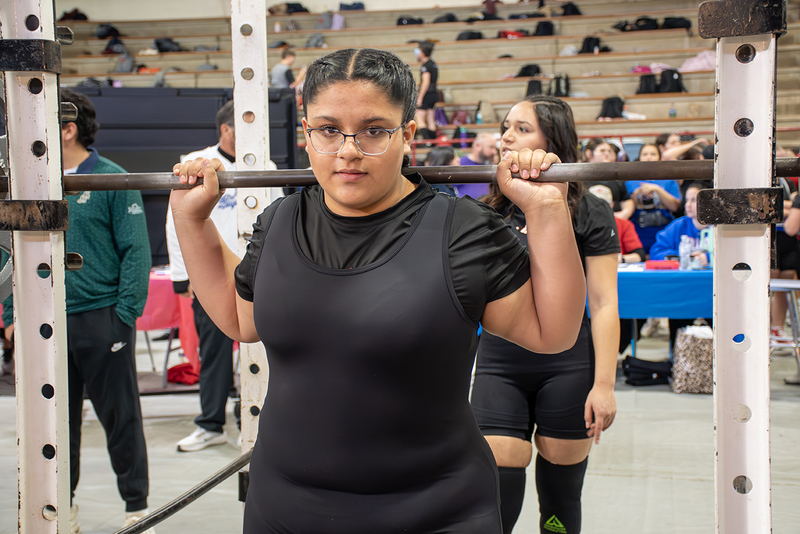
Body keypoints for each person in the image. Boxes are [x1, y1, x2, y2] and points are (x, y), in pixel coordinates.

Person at [169, 48, 586, 533]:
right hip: (283, 508)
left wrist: (547, 212)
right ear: (307, 134)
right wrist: (189, 218)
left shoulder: (462, 230)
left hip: (435, 512)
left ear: (407, 135)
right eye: (328, 130)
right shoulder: (280, 221)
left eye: (373, 130)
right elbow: (240, 320)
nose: (348, 150)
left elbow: (553, 333)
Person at [2, 88, 153, 533]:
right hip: (42, 323)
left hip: (102, 318)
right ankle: (59, 509)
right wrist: (12, 317)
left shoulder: (112, 178)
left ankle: (137, 505)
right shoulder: (28, 186)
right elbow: (16, 255)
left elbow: (136, 253)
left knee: (119, 416)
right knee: (52, 425)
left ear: (66, 129)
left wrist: (124, 315)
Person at [471, 95, 619, 534]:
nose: (505, 136)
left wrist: (605, 385)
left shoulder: (590, 210)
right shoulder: (490, 210)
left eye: (521, 128)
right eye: (505, 126)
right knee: (493, 490)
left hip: (569, 365)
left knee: (559, 500)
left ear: (551, 139)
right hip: (500, 362)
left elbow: (606, 303)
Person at [166, 100, 277, 451]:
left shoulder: (267, 165)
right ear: (227, 129)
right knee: (213, 353)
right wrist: (184, 278)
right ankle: (210, 423)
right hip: (213, 277)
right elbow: (177, 222)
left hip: (260, 276)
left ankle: (258, 420)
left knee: (265, 353)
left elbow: (279, 221)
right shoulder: (197, 164)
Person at [649, 183, 713, 345]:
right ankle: (677, 357)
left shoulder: (719, 227)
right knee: (679, 315)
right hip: (683, 289)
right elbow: (657, 251)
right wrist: (682, 257)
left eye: (694, 200)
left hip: (712, 290)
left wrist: (710, 259)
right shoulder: (679, 226)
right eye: (687, 200)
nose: (688, 205)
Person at [625, 143, 681, 254]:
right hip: (638, 230)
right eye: (645, 154)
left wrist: (657, 189)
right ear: (639, 158)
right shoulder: (630, 181)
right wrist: (638, 194)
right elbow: (628, 209)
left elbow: (675, 206)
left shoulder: (669, 181)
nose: (648, 157)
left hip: (664, 229)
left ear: (659, 158)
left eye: (653, 154)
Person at [583, 138, 634, 220]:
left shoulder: (617, 177)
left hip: (614, 222)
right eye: (602, 150)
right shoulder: (579, 177)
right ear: (588, 153)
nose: (607, 154)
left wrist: (622, 215)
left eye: (610, 151)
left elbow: (626, 201)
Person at [457, 132, 499, 199]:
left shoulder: (491, 167)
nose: (494, 152)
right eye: (491, 147)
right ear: (477, 146)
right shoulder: (460, 164)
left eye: (495, 148)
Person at [414, 42, 439, 140]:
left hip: (427, 94)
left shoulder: (426, 66)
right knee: (430, 119)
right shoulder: (433, 64)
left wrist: (420, 98)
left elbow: (426, 82)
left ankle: (427, 141)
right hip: (434, 93)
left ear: (423, 53)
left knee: (419, 118)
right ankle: (433, 142)